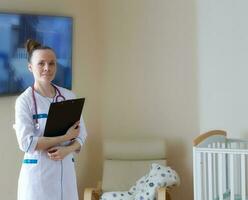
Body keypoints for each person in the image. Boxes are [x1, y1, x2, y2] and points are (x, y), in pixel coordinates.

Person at [13, 39, 87, 200]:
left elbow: (82, 134)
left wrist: (67, 149)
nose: (47, 68)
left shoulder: (68, 96)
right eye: (41, 63)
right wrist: (65, 138)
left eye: (52, 63)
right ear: (30, 67)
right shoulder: (24, 101)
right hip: (38, 177)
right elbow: (27, 143)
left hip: (65, 173)